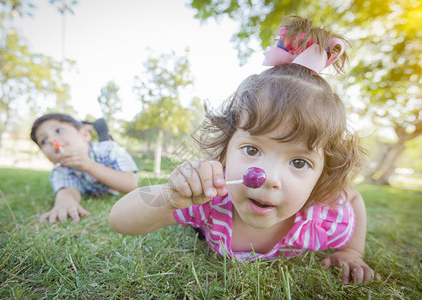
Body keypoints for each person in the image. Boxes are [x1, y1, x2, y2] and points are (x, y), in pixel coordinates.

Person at [109, 15, 380, 284]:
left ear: (322, 176)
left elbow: (353, 198)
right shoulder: (211, 200)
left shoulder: (321, 220)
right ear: (226, 149)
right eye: (252, 150)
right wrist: (171, 196)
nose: (269, 177)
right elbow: (120, 221)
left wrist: (352, 251)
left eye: (299, 163)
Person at [30, 113, 138, 223]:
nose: (52, 140)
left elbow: (130, 185)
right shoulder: (61, 171)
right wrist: (65, 202)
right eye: (44, 141)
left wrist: (89, 165)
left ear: (85, 134)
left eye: (58, 131)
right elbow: (68, 191)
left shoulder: (109, 149)